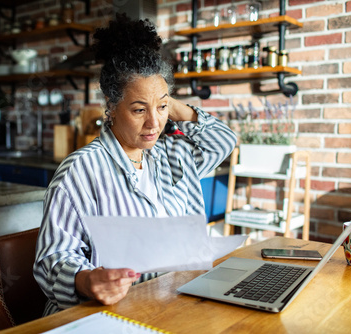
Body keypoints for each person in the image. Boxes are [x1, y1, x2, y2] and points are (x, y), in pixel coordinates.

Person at [34, 14, 237, 316]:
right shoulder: (81, 171)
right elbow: (52, 259)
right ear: (112, 106)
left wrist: (161, 99)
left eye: (163, 108)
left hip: (168, 304)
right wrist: (88, 280)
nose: (154, 123)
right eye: (139, 109)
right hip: (102, 315)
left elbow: (224, 140)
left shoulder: (173, 153)